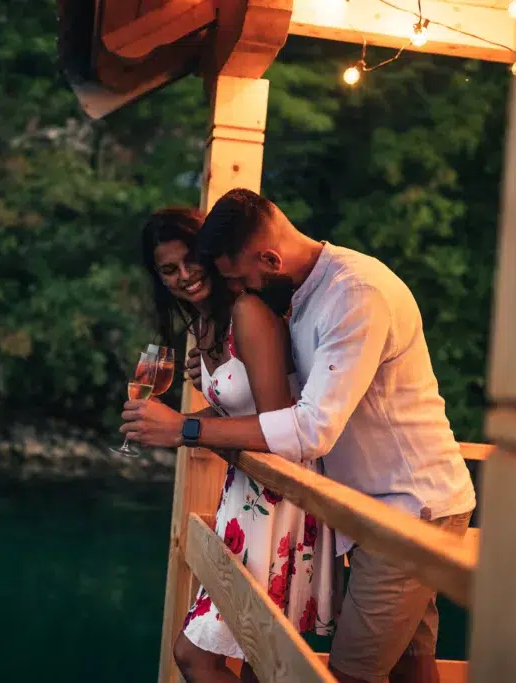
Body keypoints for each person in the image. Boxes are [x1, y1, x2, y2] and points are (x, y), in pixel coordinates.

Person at [121, 189, 476, 683]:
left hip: (412, 508)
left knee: (351, 672)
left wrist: (187, 428)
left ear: (267, 258)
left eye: (239, 277)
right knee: (410, 664)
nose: (237, 288)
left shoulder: (356, 293)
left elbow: (310, 427)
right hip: (364, 505)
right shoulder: (307, 294)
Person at [139, 207, 335, 683]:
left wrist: (182, 429)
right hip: (241, 498)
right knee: (257, 664)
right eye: (168, 270)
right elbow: (236, 413)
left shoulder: (246, 314)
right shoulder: (202, 326)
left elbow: (277, 430)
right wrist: (178, 421)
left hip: (277, 496)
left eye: (190, 261)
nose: (184, 277)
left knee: (194, 655)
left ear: (210, 255)